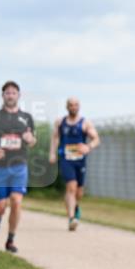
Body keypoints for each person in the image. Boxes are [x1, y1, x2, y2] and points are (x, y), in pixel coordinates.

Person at [0, 81, 36, 253]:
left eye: (14, 93)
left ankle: (10, 239)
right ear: (3, 96)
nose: (10, 95)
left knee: (17, 202)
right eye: (7, 93)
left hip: (19, 166)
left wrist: (29, 139)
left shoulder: (27, 118)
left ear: (19, 96)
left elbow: (33, 141)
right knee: (0, 206)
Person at [49, 97, 101, 231]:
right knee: (71, 187)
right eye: (71, 105)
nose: (73, 107)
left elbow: (96, 139)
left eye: (76, 105)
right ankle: (72, 218)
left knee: (79, 192)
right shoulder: (60, 122)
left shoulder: (85, 123)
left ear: (79, 106)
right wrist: (53, 153)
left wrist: (88, 147)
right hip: (66, 159)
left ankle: (75, 207)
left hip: (80, 160)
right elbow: (55, 138)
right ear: (67, 107)